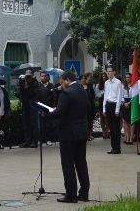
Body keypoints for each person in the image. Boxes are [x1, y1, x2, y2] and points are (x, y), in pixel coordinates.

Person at [44, 71, 91, 203]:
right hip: (82, 132)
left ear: (67, 80)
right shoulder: (82, 90)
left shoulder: (66, 93)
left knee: (68, 164)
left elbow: (59, 112)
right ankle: (84, 193)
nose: (61, 85)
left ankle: (71, 195)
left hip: (68, 133)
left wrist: (47, 113)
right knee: (81, 163)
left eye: (61, 82)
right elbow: (89, 108)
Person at [102, 65, 123, 154]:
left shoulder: (118, 82)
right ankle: (113, 147)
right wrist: (104, 109)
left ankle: (117, 148)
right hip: (108, 105)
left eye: (110, 71)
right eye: (107, 72)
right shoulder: (106, 83)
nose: (108, 73)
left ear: (114, 72)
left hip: (115, 105)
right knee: (110, 127)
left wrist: (117, 109)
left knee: (116, 128)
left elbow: (119, 96)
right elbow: (105, 96)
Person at [18, 72, 39, 147]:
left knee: (34, 123)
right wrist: (22, 83)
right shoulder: (23, 82)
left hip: (32, 104)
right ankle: (27, 141)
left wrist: (28, 86)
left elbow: (34, 94)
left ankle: (34, 141)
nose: (27, 77)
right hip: (25, 104)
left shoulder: (35, 82)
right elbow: (21, 93)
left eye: (29, 76)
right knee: (26, 123)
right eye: (26, 76)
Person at [121, 72, 134, 144]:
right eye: (126, 77)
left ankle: (131, 138)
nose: (127, 79)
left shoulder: (134, 85)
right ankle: (127, 137)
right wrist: (124, 103)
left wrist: (129, 103)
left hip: (131, 102)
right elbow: (121, 95)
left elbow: (135, 96)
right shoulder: (123, 86)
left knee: (131, 121)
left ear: (131, 78)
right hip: (124, 102)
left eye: (129, 77)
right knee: (125, 121)